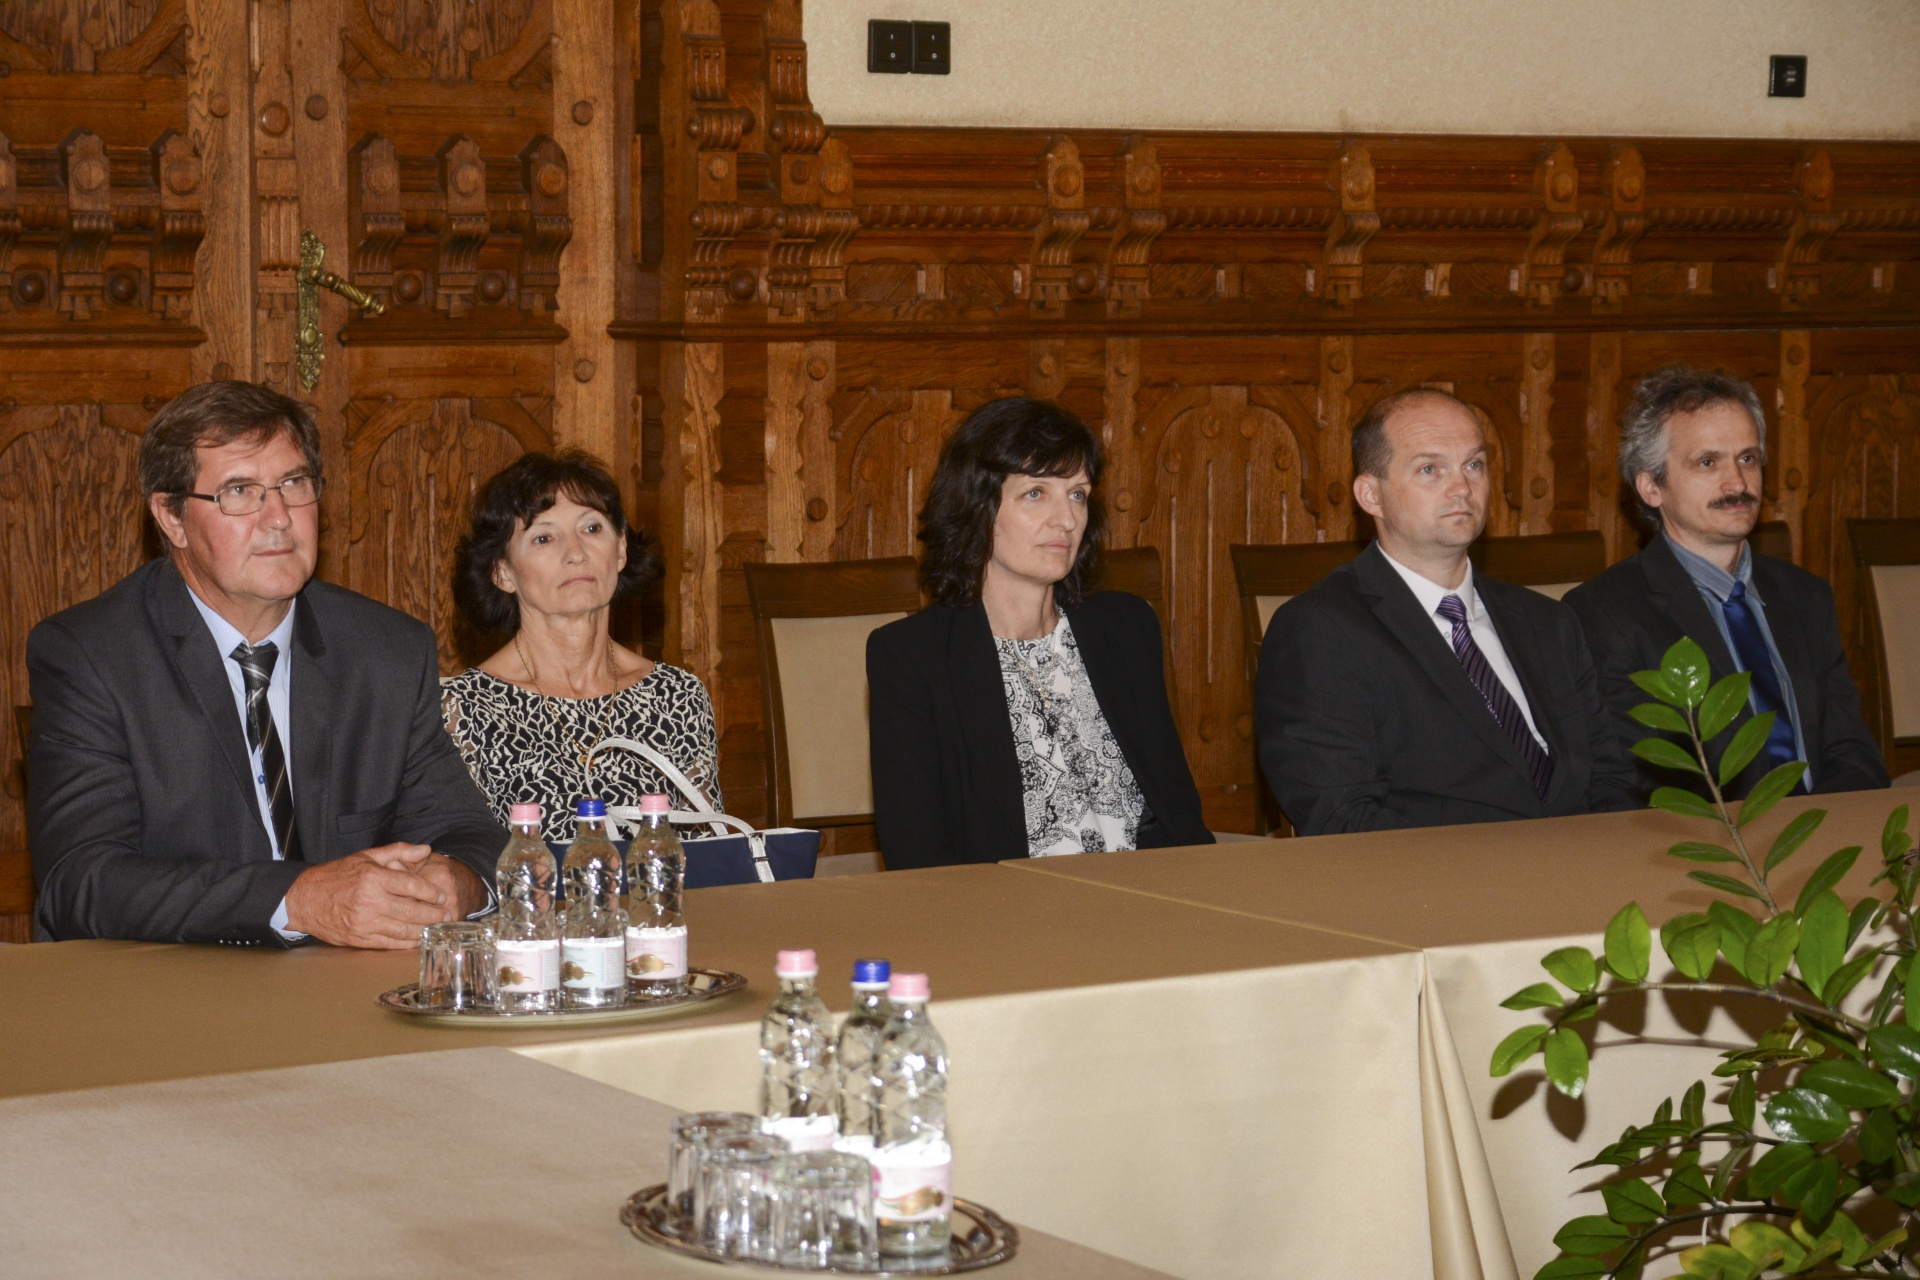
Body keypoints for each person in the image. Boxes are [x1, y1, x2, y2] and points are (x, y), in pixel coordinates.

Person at [27, 381, 504, 947]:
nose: (278, 517)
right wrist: (297, 900)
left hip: (350, 988)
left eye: (294, 484)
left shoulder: (386, 651)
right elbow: (81, 882)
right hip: (170, 988)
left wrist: (460, 884)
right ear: (172, 517)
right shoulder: (92, 655)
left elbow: (470, 836)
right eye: (239, 491)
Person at [1257, 388, 1635, 835]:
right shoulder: (1321, 631)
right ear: (1371, 495)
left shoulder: (1547, 622)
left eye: (1474, 465)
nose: (1462, 488)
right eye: (1430, 469)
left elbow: (1611, 779)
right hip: (1435, 876)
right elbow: (1344, 817)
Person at [867, 397, 1211, 869]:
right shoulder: (912, 657)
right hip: (1010, 908)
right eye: (1036, 493)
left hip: (1153, 893)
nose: (1066, 520)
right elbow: (918, 859)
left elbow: (1179, 812)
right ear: (978, 507)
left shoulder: (1126, 627)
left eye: (1077, 494)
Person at [1565, 365, 1887, 800]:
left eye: (1747, 459)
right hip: (1712, 837)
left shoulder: (1806, 596)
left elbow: (1854, 753)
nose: (1737, 482)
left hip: (1826, 828)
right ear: (1651, 487)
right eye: (1708, 462)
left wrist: (1815, 828)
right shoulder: (1604, 615)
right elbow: (1637, 784)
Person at [441, 450, 722, 843]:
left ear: (620, 549)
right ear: (503, 572)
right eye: (543, 537)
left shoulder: (677, 696)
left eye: (591, 529)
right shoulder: (462, 710)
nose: (575, 553)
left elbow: (713, 855)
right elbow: (467, 862)